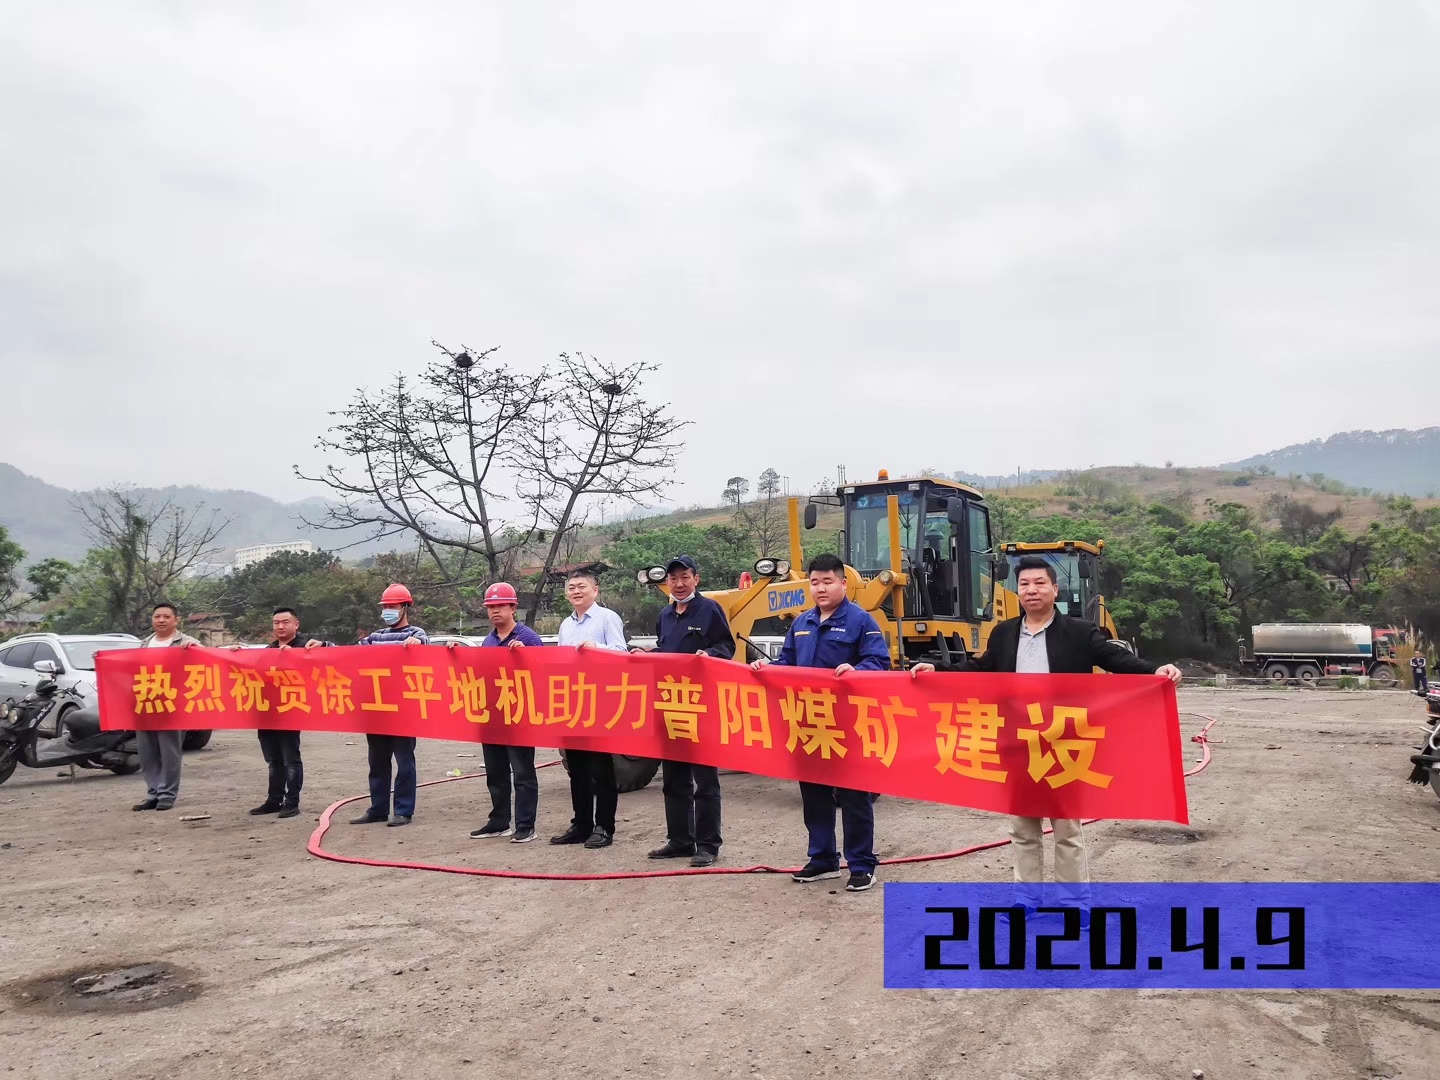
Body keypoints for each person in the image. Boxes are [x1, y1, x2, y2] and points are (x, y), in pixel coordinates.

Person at [911, 554, 1182, 907]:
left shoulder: (1080, 633)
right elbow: (980, 668)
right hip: (1018, 742)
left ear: (1055, 589)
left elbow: (1118, 661)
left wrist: (1155, 671)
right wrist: (937, 670)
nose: (1031, 590)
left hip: (1063, 741)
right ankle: (1026, 900)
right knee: (1023, 828)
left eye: (1039, 583)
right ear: (1017, 591)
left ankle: (1073, 903)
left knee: (1067, 829)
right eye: (1024, 584)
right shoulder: (1005, 632)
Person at [750, 553, 889, 893]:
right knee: (814, 794)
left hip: (848, 724)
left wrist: (859, 671)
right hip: (809, 723)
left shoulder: (861, 621)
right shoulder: (802, 624)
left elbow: (880, 663)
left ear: (843, 583)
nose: (821, 588)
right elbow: (787, 663)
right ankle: (824, 859)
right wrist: (765, 670)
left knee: (854, 795)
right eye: (815, 582)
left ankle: (861, 864)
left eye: (828, 581)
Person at [309, 583, 429, 827]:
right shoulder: (375, 637)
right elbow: (350, 655)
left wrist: (416, 647)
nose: (387, 610)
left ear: (405, 607)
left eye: (392, 606)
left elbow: (426, 649)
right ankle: (378, 808)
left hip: (404, 710)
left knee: (404, 762)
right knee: (377, 762)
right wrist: (324, 647)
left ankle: (403, 810)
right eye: (385, 607)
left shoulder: (416, 634)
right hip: (377, 710)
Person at [645, 555, 735, 868]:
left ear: (696, 578)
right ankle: (680, 840)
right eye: (673, 579)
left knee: (705, 779)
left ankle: (708, 844)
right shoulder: (665, 615)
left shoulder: (710, 610)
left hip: (701, 706)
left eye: (685, 577)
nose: (679, 584)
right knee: (673, 778)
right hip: (671, 706)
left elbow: (727, 647)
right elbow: (665, 652)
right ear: (666, 583)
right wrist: (648, 654)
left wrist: (709, 653)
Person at [551, 567, 627, 849]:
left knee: (601, 767)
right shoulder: (565, 625)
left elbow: (622, 652)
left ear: (595, 590)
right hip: (573, 703)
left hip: (601, 702)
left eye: (582, 586)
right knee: (577, 769)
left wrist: (598, 647)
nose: (576, 591)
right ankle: (581, 824)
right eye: (571, 587)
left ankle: (604, 827)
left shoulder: (608, 618)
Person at [469, 582, 545, 844]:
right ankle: (499, 821)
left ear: (513, 607)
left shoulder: (529, 638)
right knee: (496, 772)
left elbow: (544, 676)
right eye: (491, 607)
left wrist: (525, 657)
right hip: (492, 716)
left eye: (500, 605)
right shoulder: (488, 641)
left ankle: (525, 825)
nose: (495, 611)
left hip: (519, 716)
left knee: (523, 773)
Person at [132, 602, 202, 812]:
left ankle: (167, 794)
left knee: (169, 752)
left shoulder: (186, 642)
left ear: (175, 620)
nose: (161, 620)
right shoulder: (144, 643)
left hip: (173, 705)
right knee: (147, 752)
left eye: (166, 617)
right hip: (146, 704)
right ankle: (152, 792)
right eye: (157, 617)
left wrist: (194, 651)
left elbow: (207, 659)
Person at [250, 607, 307, 819]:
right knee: (273, 759)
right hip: (267, 712)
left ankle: (292, 802)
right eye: (276, 623)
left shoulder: (304, 646)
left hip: (290, 710)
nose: (280, 626)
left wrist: (296, 658)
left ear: (296, 624)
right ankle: (274, 800)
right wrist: (234, 654)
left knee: (290, 759)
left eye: (285, 622)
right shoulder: (269, 648)